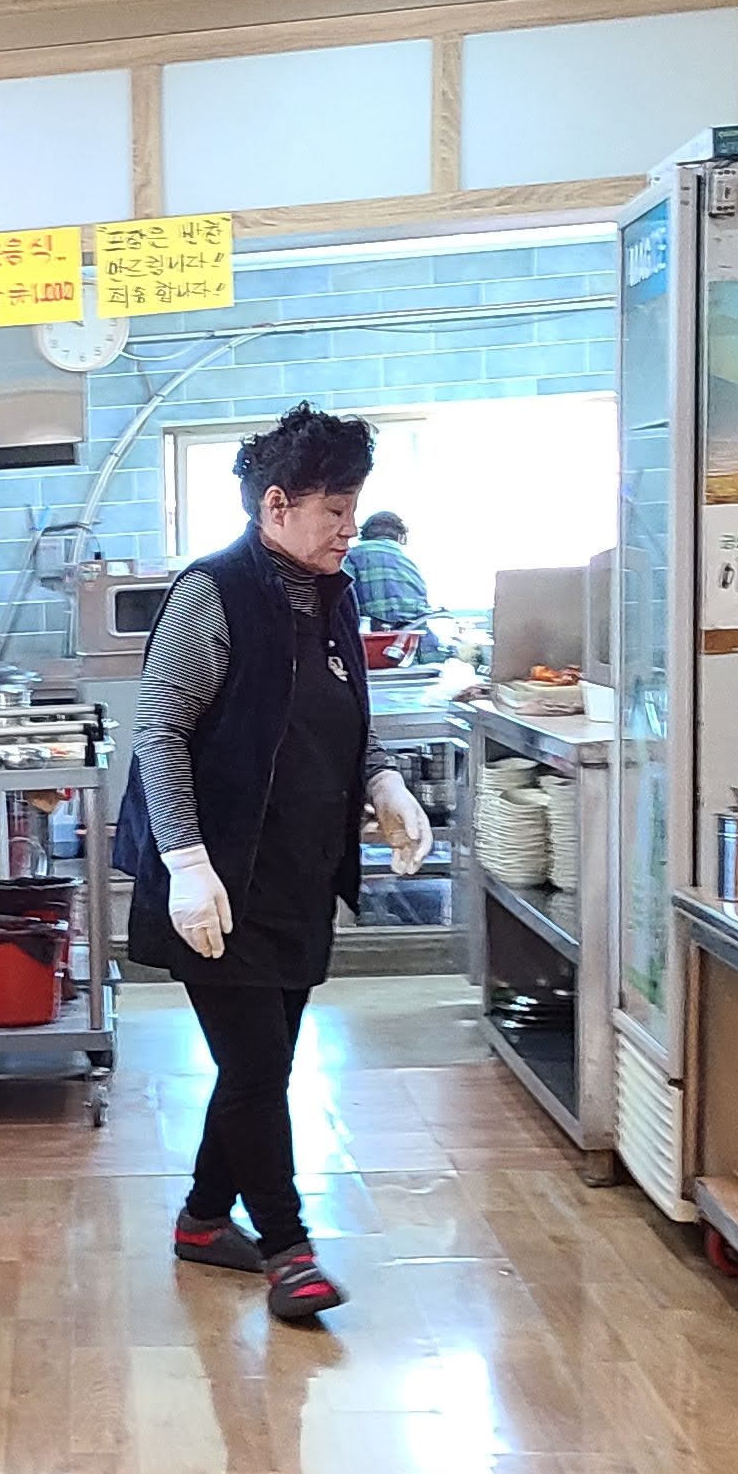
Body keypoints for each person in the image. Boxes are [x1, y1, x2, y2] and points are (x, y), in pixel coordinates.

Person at [125, 405, 433, 1326]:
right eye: (334, 510)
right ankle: (289, 1250)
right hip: (218, 886)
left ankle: (202, 1219)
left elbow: (345, 718)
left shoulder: (332, 594)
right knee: (258, 1068)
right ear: (276, 506)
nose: (348, 528)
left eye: (354, 507)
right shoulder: (212, 593)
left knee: (258, 1066)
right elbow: (159, 731)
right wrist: (185, 859)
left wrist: (383, 780)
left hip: (299, 874)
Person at [346, 508, 435, 638]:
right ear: (400, 536)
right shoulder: (408, 560)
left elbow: (341, 595)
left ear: (364, 534)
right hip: (417, 633)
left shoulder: (352, 555)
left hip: (376, 634)